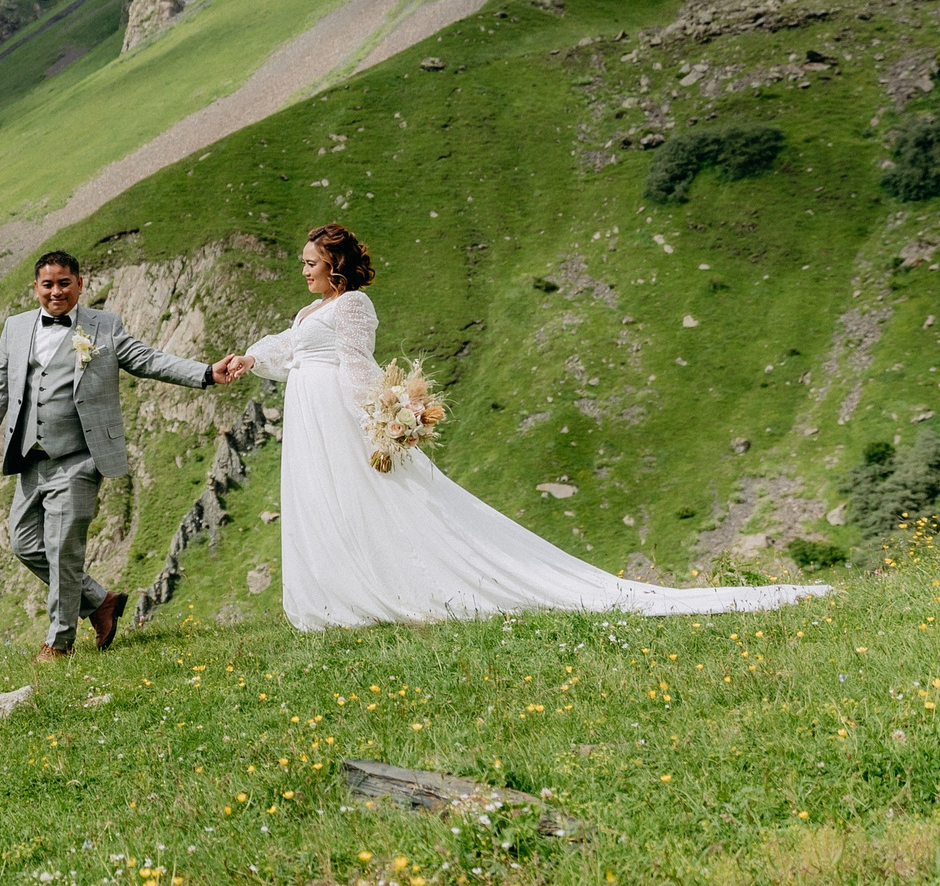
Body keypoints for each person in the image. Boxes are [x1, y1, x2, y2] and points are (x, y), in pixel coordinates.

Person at [237, 222, 831, 629]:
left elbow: (357, 365)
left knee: (374, 499)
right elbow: (289, 345)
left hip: (337, 414)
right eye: (304, 264)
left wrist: (383, 420)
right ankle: (340, 588)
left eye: (312, 263)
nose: (305, 271)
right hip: (310, 415)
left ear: (335, 265)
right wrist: (248, 359)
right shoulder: (313, 308)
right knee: (326, 503)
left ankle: (388, 588)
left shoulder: (352, 307)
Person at [0, 250, 247, 661]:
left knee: (63, 549)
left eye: (64, 283)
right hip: (31, 456)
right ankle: (100, 603)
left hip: (79, 456)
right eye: (48, 284)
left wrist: (205, 373)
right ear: (36, 287)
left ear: (80, 284)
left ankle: (59, 643)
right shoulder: (16, 327)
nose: (56, 292)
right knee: (24, 543)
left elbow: (148, 360)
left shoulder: (103, 326)